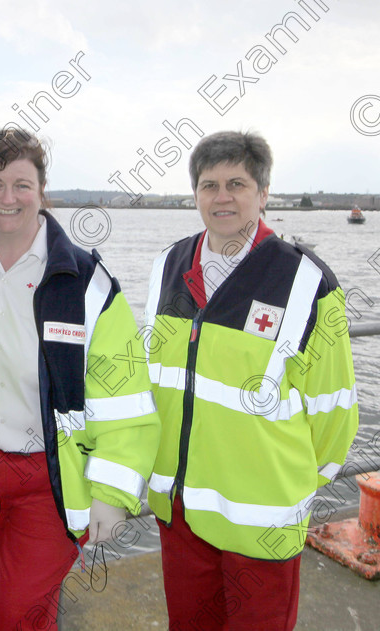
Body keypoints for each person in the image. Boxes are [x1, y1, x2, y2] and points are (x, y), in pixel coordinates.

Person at [145, 131, 359, 630]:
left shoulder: (307, 282)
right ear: (195, 195)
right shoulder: (168, 266)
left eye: (237, 183)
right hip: (182, 512)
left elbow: (334, 412)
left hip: (262, 520)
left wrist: (289, 488)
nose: (222, 197)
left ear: (262, 195)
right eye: (209, 185)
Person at [0, 128, 161, 629]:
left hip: (50, 481)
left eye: (21, 184)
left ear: (42, 191)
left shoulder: (85, 282)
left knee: (16, 614)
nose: (8, 198)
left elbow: (124, 395)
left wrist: (112, 493)